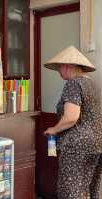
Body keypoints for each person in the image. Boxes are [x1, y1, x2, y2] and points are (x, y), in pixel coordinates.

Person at [43, 46, 102, 199]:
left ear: (67, 66)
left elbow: (71, 117)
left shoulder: (74, 83)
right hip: (98, 143)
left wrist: (54, 130)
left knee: (72, 190)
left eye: (59, 68)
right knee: (92, 188)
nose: (58, 72)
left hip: (77, 146)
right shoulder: (94, 85)